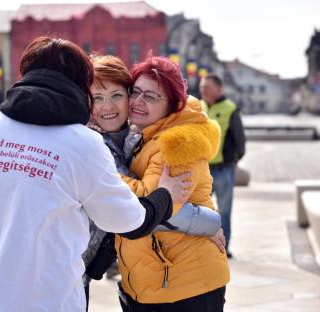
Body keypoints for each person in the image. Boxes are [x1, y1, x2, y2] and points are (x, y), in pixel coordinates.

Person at [0, 37, 193, 312]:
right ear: (80, 85)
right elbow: (129, 221)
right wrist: (166, 196)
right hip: (46, 301)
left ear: (26, 74)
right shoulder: (83, 144)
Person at [83, 54, 224, 306]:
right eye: (135, 92)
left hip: (183, 282)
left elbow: (149, 204)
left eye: (150, 96)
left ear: (172, 103)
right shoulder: (138, 135)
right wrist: (204, 222)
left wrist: (95, 171)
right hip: (148, 279)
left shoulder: (176, 141)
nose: (138, 102)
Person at [199, 74, 246, 258]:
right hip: (203, 169)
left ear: (219, 89)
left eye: (207, 87)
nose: (203, 90)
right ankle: (202, 246)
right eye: (202, 87)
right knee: (200, 209)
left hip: (224, 169)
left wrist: (234, 159)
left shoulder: (230, 108)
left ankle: (223, 249)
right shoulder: (199, 107)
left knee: (224, 211)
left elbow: (240, 138)